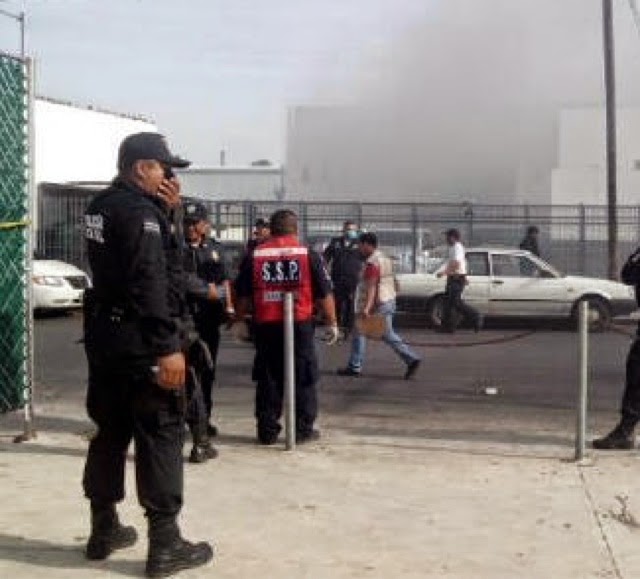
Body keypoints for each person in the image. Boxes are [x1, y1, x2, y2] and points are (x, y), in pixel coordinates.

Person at [82, 132, 213, 577]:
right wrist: (168, 347)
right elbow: (154, 278)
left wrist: (168, 212)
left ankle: (103, 529)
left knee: (110, 432)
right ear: (142, 169)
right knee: (160, 433)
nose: (170, 178)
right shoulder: (142, 214)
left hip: (107, 340)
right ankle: (165, 544)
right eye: (164, 169)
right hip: (142, 342)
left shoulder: (100, 205)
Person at [234, 209, 338, 445]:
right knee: (303, 375)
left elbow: (241, 292)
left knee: (268, 376)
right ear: (295, 229)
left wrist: (239, 320)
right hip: (300, 322)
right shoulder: (307, 254)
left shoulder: (257, 254)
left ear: (271, 229)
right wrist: (332, 322)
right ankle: (302, 429)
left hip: (266, 323)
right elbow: (324, 292)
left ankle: (267, 430)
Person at [183, 201, 235, 452]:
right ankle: (186, 418)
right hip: (182, 319)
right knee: (183, 372)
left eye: (195, 223)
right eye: (186, 223)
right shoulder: (176, 249)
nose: (190, 228)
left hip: (207, 320)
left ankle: (204, 418)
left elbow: (225, 282)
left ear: (205, 225)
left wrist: (229, 310)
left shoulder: (215, 251)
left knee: (206, 371)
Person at [337, 232, 421, 379]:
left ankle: (411, 359)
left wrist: (367, 308)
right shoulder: (384, 258)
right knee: (361, 332)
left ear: (367, 245)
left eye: (360, 245)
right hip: (388, 300)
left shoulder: (373, 263)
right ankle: (354, 365)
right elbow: (393, 280)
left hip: (378, 304)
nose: (358, 249)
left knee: (386, 334)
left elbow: (372, 287)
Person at [438, 228, 484, 333]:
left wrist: (445, 272)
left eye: (447, 237)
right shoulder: (452, 248)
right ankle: (447, 327)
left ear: (453, 237)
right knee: (448, 303)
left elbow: (456, 263)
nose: (446, 239)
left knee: (456, 303)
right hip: (454, 277)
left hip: (456, 279)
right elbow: (462, 263)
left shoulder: (457, 247)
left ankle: (476, 316)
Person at [323, 220, 363, 338]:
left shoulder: (359, 243)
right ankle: (337, 328)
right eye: (348, 229)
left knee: (351, 306)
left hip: (353, 280)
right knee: (337, 305)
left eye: (352, 229)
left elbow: (365, 259)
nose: (350, 232)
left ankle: (347, 330)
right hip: (337, 279)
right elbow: (325, 258)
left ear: (356, 231)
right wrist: (325, 271)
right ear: (343, 230)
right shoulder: (335, 242)